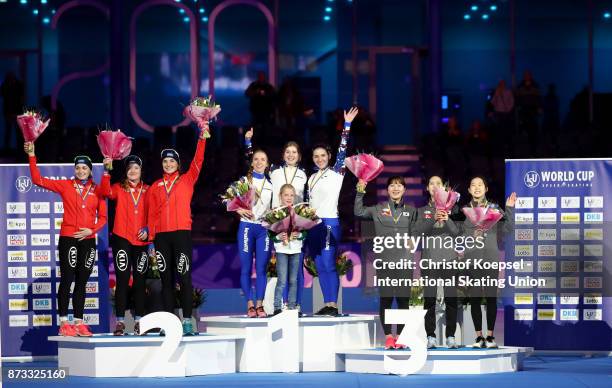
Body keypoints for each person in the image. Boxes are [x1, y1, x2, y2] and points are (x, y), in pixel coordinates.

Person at [24, 141, 107, 337]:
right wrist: (32, 155)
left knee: (82, 281)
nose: (80, 171)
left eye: (84, 168)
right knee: (68, 278)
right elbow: (37, 179)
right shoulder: (65, 185)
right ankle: (64, 323)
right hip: (68, 238)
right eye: (77, 168)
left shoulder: (98, 190)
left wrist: (91, 230)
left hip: (88, 239)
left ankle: (79, 322)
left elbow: (103, 217)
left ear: (90, 170)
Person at [355, 176, 436, 349]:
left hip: (404, 262)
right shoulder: (378, 209)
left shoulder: (411, 211)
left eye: (399, 185)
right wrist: (360, 192)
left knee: (403, 300)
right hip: (384, 262)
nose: (396, 188)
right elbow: (359, 212)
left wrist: (413, 239)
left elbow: (419, 229)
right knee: (385, 299)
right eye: (392, 185)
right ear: (387, 189)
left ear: (404, 190)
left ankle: (400, 336)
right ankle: (388, 337)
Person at [147, 123, 209, 335]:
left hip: (181, 234)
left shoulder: (187, 180)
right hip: (161, 238)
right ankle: (169, 323)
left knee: (184, 278)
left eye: (172, 161)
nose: (168, 164)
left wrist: (203, 137)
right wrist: (151, 242)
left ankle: (187, 321)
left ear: (178, 164)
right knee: (166, 281)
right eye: (165, 161)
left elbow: (198, 160)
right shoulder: (155, 186)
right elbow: (151, 215)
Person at [244, 129, 308, 311]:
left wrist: (305, 220)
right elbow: (254, 164)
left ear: (299, 156)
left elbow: (307, 199)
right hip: (277, 224)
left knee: (296, 273)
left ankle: (296, 305)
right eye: (287, 152)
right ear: (283, 155)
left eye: (294, 152)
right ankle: (279, 306)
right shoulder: (274, 171)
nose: (290, 155)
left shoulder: (305, 175)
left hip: (298, 223)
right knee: (281, 271)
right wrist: (248, 143)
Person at [306, 107, 358, 317]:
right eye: (316, 156)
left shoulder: (336, 172)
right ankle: (327, 303)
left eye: (322, 155)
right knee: (319, 265)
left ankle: (333, 305)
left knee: (328, 263)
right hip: (313, 225)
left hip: (329, 223)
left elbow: (343, 150)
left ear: (329, 156)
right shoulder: (311, 178)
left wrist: (346, 126)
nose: (319, 159)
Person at [460, 176, 516, 348]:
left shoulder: (494, 208)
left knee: (491, 297)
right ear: (469, 190)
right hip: (472, 258)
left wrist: (510, 209)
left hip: (491, 257)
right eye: (473, 185)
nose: (477, 188)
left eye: (480, 185)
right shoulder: (463, 211)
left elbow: (508, 229)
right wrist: (470, 236)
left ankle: (490, 336)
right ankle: (478, 336)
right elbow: (458, 235)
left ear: (486, 189)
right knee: (475, 297)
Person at [100, 155, 150, 336]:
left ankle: (139, 322)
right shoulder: (119, 188)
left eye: (136, 168)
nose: (133, 171)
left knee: (139, 281)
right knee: (121, 281)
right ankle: (120, 323)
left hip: (142, 240)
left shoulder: (149, 190)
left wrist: (149, 229)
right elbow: (105, 192)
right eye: (129, 168)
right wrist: (106, 171)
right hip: (122, 238)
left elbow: (156, 213)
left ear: (141, 170)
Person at [418, 176, 460, 349]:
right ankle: (430, 336)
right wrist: (433, 218)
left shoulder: (454, 209)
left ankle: (450, 336)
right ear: (427, 188)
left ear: (444, 188)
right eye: (431, 184)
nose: (435, 186)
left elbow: (457, 233)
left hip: (450, 260)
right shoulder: (421, 211)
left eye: (438, 184)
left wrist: (447, 218)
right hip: (429, 261)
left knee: (451, 299)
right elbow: (419, 231)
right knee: (429, 300)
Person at [234, 148, 273, 318]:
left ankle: (260, 305)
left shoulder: (272, 186)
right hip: (247, 228)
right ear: (252, 162)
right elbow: (229, 200)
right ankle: (250, 304)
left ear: (267, 163)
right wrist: (238, 210)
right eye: (256, 159)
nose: (258, 162)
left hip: (263, 229)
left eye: (262, 159)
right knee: (246, 268)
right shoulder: (244, 181)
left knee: (262, 269)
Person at [269, 184, 306, 316]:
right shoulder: (275, 212)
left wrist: (299, 235)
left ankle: (292, 307)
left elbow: (305, 231)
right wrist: (278, 237)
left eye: (291, 195)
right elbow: (271, 234)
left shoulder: (299, 212)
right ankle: (277, 307)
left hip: (295, 249)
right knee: (282, 280)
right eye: (286, 195)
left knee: (293, 280)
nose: (289, 197)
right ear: (280, 196)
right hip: (281, 251)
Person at [2, 72, 25, 150]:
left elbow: (21, 98)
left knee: (16, 131)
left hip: (15, 111)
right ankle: (9, 148)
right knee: (10, 130)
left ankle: (18, 148)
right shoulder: (7, 85)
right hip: (10, 111)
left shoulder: (18, 85)